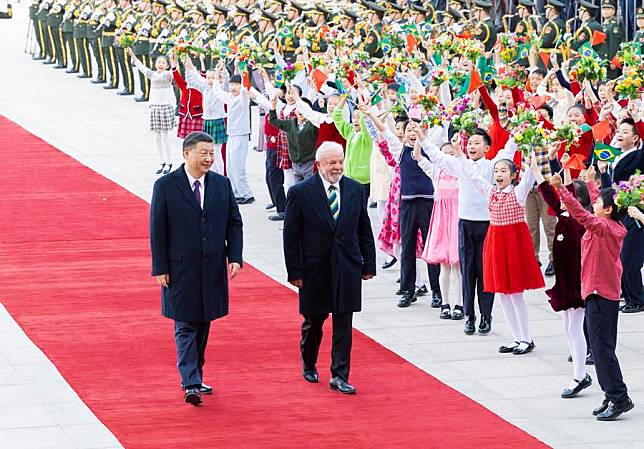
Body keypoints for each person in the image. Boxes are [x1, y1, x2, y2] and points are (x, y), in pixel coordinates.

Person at [150, 131, 243, 406]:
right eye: (203, 153)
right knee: (185, 323)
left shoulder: (221, 185)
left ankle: (195, 372)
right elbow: (158, 229)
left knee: (203, 322)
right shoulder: (166, 185)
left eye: (211, 153)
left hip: (212, 267)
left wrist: (234, 257)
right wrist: (160, 267)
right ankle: (190, 381)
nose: (208, 158)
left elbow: (233, 223)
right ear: (186, 153)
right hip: (180, 269)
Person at [283, 141, 376, 395]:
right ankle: (309, 360)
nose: (337, 167)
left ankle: (339, 375)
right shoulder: (301, 193)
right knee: (315, 320)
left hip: (347, 266)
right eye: (331, 163)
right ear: (318, 165)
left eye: (340, 161)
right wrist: (295, 272)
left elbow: (363, 228)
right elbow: (291, 236)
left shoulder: (355, 190)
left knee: (344, 322)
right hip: (315, 269)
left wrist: (368, 263)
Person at [552, 173, 634, 421]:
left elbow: (582, 215)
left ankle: (619, 397)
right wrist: (589, 182)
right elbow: (596, 203)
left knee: (602, 350)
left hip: (601, 294)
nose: (593, 203)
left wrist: (562, 191)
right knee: (600, 349)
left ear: (608, 210)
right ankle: (611, 394)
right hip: (595, 293)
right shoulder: (609, 222)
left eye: (598, 203)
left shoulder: (604, 226)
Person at [462, 153, 545, 354]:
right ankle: (516, 338)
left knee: (516, 294)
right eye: (496, 171)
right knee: (502, 295)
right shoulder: (490, 192)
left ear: (513, 175)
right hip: (496, 244)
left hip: (513, 246)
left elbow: (529, 178)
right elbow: (473, 175)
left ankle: (526, 338)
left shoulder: (518, 193)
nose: (499, 174)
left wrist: (531, 161)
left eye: (503, 171)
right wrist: (459, 154)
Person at [533, 152, 593, 397]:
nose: (564, 197)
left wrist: (569, 173)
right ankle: (580, 373)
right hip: (564, 281)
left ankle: (580, 375)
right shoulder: (561, 214)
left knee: (575, 328)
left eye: (571, 196)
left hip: (578, 282)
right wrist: (534, 166)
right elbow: (546, 189)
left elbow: (566, 189)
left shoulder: (583, 220)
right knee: (569, 327)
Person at [415, 140, 463, 320]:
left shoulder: (461, 171)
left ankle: (459, 303)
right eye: (445, 154)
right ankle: (445, 303)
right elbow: (418, 157)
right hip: (442, 222)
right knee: (444, 266)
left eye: (452, 154)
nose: (448, 158)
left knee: (457, 266)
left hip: (457, 220)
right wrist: (420, 137)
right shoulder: (437, 172)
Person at [126, 46, 175, 174]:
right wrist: (132, 55)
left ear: (167, 65)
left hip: (165, 107)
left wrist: (173, 57)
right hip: (155, 107)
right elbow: (142, 68)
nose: (160, 65)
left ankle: (169, 162)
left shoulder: (168, 75)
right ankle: (161, 161)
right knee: (157, 137)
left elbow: (176, 70)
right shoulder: (152, 74)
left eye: (163, 63)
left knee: (165, 136)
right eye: (158, 62)